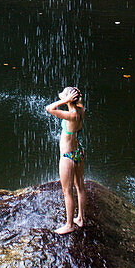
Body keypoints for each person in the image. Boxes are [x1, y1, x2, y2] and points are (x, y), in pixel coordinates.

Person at [45, 86, 86, 234]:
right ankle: (80, 218)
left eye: (64, 94)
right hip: (78, 152)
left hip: (67, 156)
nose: (61, 95)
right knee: (80, 187)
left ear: (69, 98)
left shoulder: (71, 115)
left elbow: (49, 108)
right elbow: (77, 103)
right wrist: (71, 99)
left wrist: (65, 101)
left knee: (67, 191)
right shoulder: (81, 110)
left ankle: (69, 225)